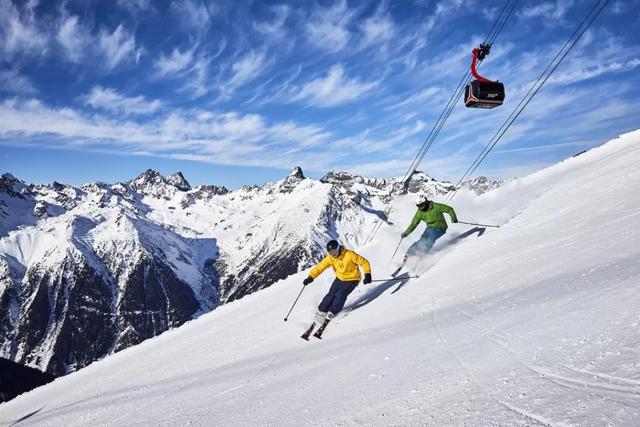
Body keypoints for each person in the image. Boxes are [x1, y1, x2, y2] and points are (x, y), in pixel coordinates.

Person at [301, 240, 372, 339]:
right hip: (339, 278)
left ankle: (332, 312)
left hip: (352, 279)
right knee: (330, 295)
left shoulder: (349, 255)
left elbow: (364, 262)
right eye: (331, 253)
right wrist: (311, 277)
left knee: (340, 295)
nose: (333, 254)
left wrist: (367, 274)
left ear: (338, 248)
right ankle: (322, 311)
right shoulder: (330, 258)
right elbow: (320, 267)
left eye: (334, 251)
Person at [399, 194, 458, 266]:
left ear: (425, 203)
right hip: (429, 228)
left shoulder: (436, 207)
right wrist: (406, 233)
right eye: (418, 206)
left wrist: (453, 218)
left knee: (429, 239)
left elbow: (449, 209)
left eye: (421, 205)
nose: (420, 208)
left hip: (440, 227)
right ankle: (407, 256)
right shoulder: (420, 212)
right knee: (421, 241)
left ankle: (422, 257)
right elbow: (413, 224)